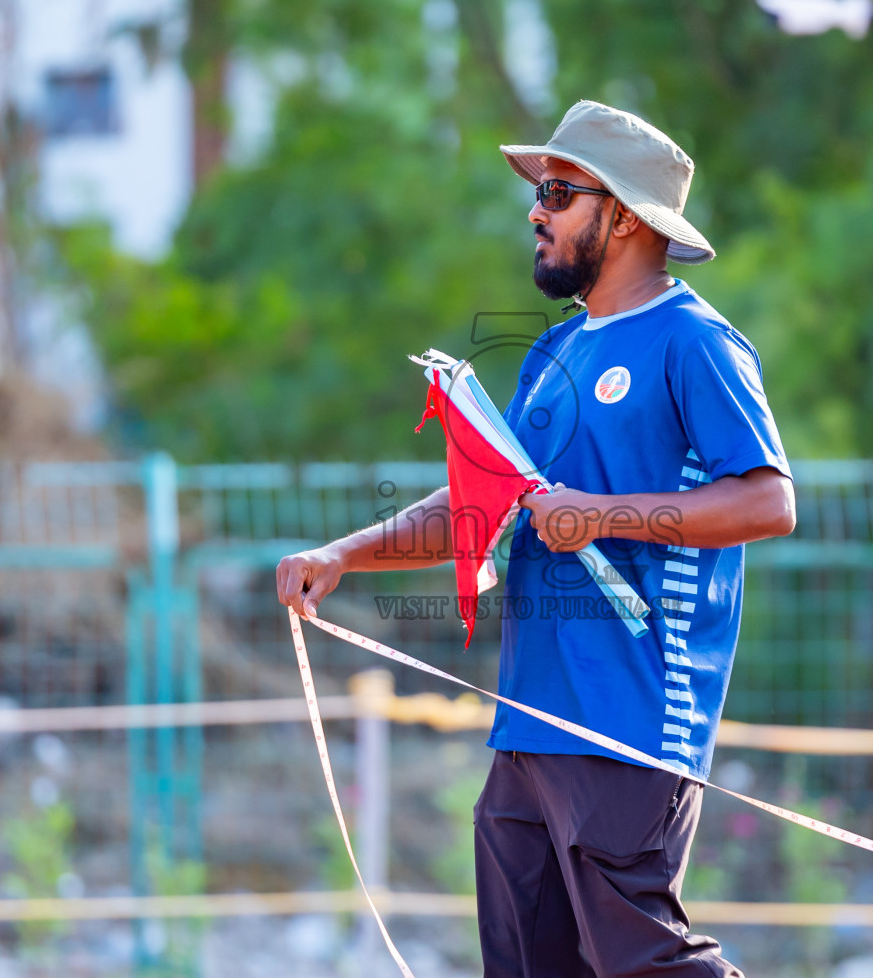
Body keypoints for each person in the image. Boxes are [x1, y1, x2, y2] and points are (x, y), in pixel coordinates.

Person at [277, 100, 795, 977]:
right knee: (524, 962)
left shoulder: (696, 341)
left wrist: (599, 515)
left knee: (642, 962)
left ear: (626, 215)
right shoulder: (555, 353)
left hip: (628, 723)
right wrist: (341, 555)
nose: (536, 212)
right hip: (532, 724)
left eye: (559, 192)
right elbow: (486, 504)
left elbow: (768, 502)